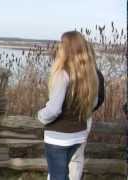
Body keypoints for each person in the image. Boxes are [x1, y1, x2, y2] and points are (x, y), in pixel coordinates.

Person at [37, 31, 99, 180]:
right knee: (64, 175)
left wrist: (40, 115)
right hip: (78, 135)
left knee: (58, 176)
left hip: (58, 137)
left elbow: (54, 110)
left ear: (67, 48)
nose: (59, 47)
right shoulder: (90, 74)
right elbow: (94, 103)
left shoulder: (62, 74)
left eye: (61, 44)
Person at [68, 44, 105, 180]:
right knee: (76, 157)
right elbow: (100, 98)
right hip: (84, 118)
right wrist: (88, 109)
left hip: (70, 119)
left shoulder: (67, 71)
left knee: (62, 157)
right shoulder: (96, 73)